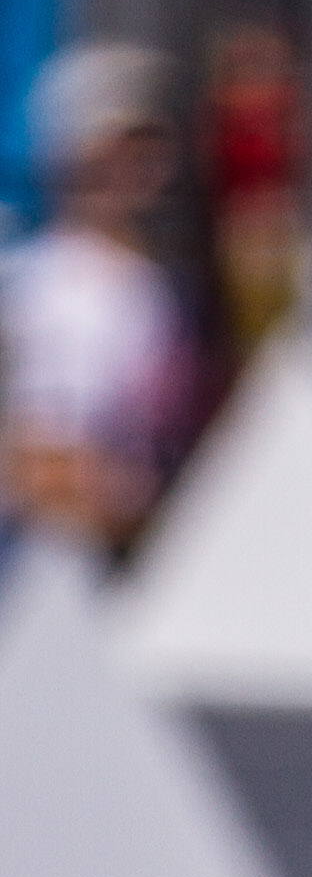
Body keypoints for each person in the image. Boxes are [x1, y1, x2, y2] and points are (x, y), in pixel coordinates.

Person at [4, 42, 196, 545]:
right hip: (49, 560)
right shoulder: (38, 285)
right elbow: (30, 456)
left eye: (148, 149)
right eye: (119, 150)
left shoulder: (158, 286)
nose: (140, 167)